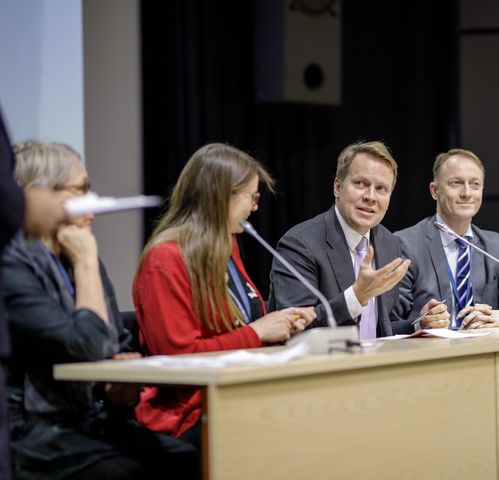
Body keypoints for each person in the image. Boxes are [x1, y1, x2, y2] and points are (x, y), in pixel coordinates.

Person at [1, 141, 198, 479]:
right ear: (33, 194)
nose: (92, 203)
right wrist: (87, 262)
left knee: (189, 459)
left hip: (88, 417)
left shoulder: (79, 259)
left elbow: (114, 346)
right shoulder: (12, 266)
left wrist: (117, 384)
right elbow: (86, 346)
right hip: (31, 431)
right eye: (80, 190)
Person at [133, 143, 315, 446]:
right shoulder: (166, 258)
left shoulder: (225, 247)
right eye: (251, 197)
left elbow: (236, 327)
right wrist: (257, 333)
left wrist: (279, 326)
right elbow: (178, 360)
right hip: (190, 414)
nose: (255, 207)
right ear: (220, 196)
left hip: (237, 393)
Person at [269, 140, 449, 339]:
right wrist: (357, 297)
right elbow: (296, 329)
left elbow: (380, 329)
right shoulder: (300, 244)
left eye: (381, 188)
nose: (370, 196)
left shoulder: (389, 243)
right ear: (337, 187)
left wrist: (419, 324)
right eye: (361, 184)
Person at [392, 148, 499, 331]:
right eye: (456, 183)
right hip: (430, 354)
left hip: (483, 352)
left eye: (475, 184)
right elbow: (385, 322)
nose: (467, 193)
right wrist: (419, 324)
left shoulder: (493, 245)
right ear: (435, 191)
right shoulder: (405, 243)